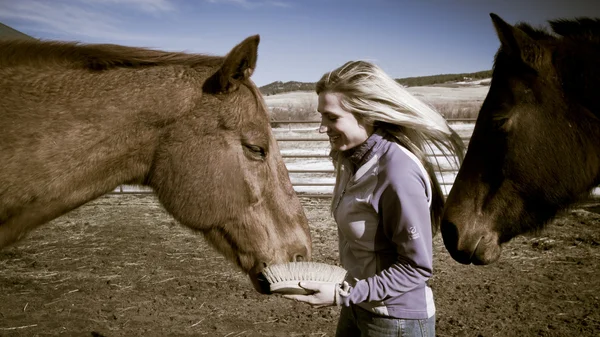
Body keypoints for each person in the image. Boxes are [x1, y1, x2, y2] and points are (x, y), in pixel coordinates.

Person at [283, 60, 464, 337]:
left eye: (331, 117)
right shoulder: (351, 160)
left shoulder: (397, 172)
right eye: (321, 117)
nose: (322, 128)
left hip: (395, 320)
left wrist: (341, 294)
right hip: (357, 306)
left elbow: (417, 267)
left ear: (366, 113)